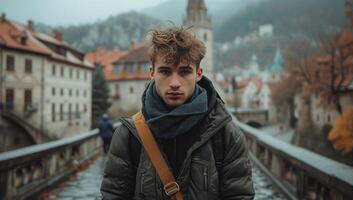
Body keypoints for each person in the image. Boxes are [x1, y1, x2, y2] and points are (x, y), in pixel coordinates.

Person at [101, 26, 255, 199]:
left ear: (198, 74)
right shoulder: (128, 136)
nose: (175, 83)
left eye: (184, 71)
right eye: (165, 71)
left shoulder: (225, 135)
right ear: (152, 73)